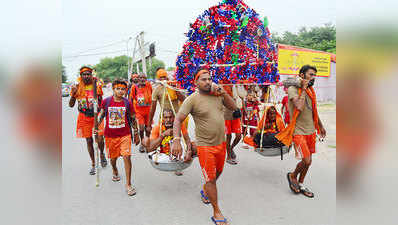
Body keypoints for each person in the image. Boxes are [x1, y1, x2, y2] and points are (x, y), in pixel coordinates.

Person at [171, 69, 239, 225]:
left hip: (221, 144)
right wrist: (176, 139)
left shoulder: (217, 94)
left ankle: (206, 190)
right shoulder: (192, 99)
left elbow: (234, 107)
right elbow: (178, 120)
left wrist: (223, 93)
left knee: (218, 173)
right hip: (205, 146)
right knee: (211, 179)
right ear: (196, 82)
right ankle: (217, 212)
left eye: (209, 79)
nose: (208, 82)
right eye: (203, 79)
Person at [278, 65, 327, 198]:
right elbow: (299, 106)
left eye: (315, 75)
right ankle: (293, 175)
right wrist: (304, 88)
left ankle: (301, 183)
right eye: (311, 74)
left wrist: (320, 126)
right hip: (298, 130)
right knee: (305, 160)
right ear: (301, 75)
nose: (313, 77)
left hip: (311, 130)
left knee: (309, 162)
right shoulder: (293, 89)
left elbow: (313, 110)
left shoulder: (311, 90)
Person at [96, 79, 139, 196]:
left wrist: (136, 133)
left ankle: (128, 184)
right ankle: (114, 169)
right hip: (110, 136)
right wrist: (97, 126)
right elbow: (101, 115)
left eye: (123, 89)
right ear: (113, 89)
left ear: (125, 91)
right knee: (113, 159)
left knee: (126, 156)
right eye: (118, 89)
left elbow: (133, 118)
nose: (120, 91)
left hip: (125, 135)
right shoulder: (106, 101)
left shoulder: (127, 103)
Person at [69, 66, 107, 175]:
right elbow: (71, 105)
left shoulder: (97, 85)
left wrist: (101, 113)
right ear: (80, 76)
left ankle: (102, 153)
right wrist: (73, 95)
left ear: (91, 75)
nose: (86, 76)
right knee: (89, 141)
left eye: (88, 74)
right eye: (83, 74)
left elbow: (101, 102)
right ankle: (94, 164)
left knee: (100, 139)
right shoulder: (76, 87)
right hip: (84, 117)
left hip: (96, 116)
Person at [142, 109, 196, 176]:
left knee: (194, 146)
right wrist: (163, 135)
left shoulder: (179, 125)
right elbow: (150, 148)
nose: (168, 120)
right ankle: (175, 161)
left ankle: (177, 161)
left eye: (170, 117)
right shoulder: (157, 128)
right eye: (166, 117)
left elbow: (187, 140)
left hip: (177, 154)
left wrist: (189, 151)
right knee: (145, 140)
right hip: (162, 156)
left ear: (174, 118)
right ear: (162, 118)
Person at [147, 68, 185, 136]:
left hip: (176, 117)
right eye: (161, 78)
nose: (163, 79)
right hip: (165, 118)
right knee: (164, 137)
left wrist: (175, 90)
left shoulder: (173, 86)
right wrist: (149, 124)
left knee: (178, 136)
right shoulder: (157, 90)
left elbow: (183, 100)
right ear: (158, 79)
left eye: (164, 77)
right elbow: (153, 108)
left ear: (167, 77)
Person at [130, 73, 153, 153]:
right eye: (141, 78)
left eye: (144, 78)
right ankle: (142, 142)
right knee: (142, 128)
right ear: (138, 79)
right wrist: (130, 110)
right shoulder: (134, 87)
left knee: (148, 128)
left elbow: (153, 95)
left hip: (148, 110)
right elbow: (131, 98)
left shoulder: (149, 85)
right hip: (139, 111)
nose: (142, 79)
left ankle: (147, 142)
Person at [222, 84, 242, 165]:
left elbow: (242, 96)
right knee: (228, 136)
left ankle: (230, 148)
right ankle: (228, 157)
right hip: (226, 115)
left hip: (235, 115)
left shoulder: (236, 85)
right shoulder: (221, 85)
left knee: (239, 136)